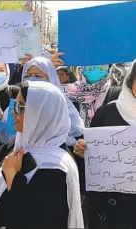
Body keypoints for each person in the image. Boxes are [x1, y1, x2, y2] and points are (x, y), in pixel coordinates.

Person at [0, 81, 84, 229]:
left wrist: (13, 179)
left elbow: (36, 219)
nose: (13, 112)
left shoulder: (55, 167)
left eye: (21, 107)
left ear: (42, 113)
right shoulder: (18, 148)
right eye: (15, 106)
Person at [74, 59, 136, 229]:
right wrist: (82, 152)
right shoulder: (107, 113)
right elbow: (89, 166)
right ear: (131, 81)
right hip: (109, 212)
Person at [21, 57, 84, 147]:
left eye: (37, 76)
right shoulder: (17, 104)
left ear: (50, 78)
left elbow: (73, 132)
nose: (31, 79)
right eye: (27, 75)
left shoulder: (60, 106)